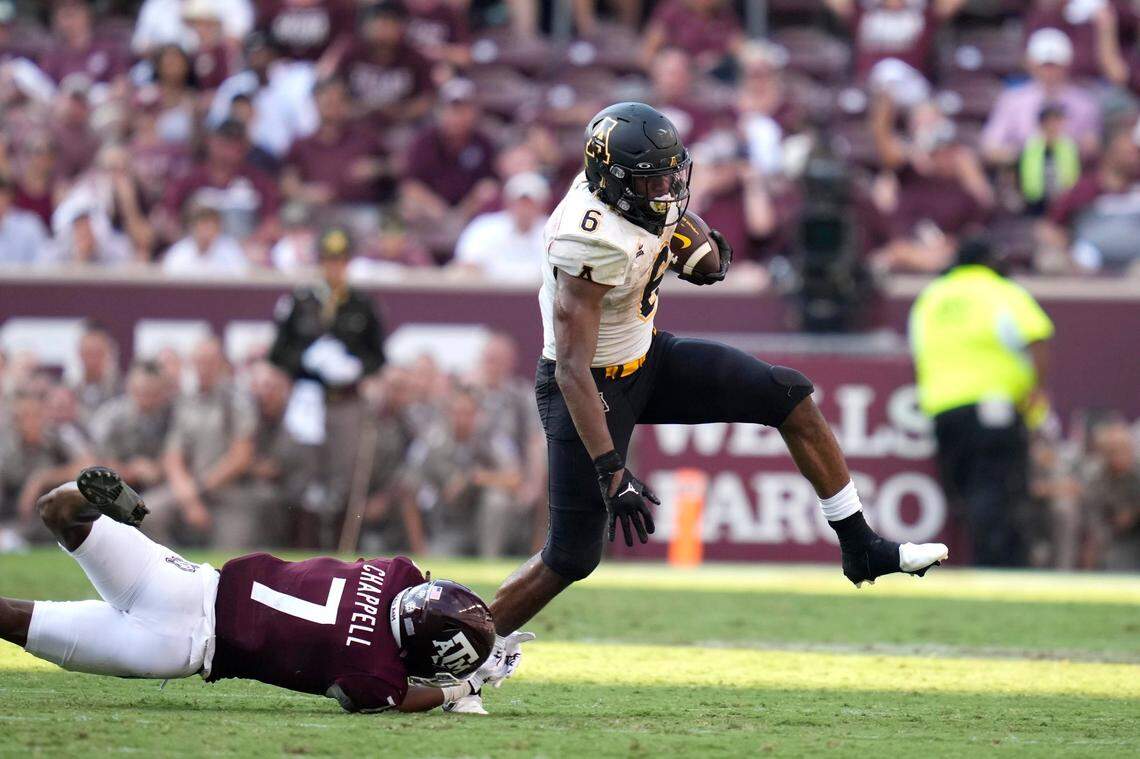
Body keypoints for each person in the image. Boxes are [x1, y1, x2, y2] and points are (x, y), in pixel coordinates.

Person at [480, 102, 948, 712]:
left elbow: (670, 221)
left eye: (673, 176)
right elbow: (571, 367)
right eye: (653, 181)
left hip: (646, 360)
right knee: (571, 555)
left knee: (790, 397)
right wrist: (610, 469)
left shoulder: (633, 192)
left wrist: (687, 242)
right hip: (587, 387)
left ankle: (859, 543)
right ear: (615, 183)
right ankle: (461, 649)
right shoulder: (586, 237)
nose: (669, 190)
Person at [0, 467, 533, 713]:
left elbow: (420, 584)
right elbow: (396, 699)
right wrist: (460, 687)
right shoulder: (376, 674)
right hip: (178, 650)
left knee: (55, 511)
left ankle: (80, 496)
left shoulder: (396, 573)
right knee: (14, 622)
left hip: (187, 581)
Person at [909, 238, 1054, 566]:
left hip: (943, 409)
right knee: (997, 489)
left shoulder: (931, 298)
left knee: (963, 491)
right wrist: (1036, 389)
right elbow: (1038, 335)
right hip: (994, 406)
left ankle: (979, 561)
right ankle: (999, 567)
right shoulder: (999, 291)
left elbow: (918, 350)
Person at [269, 227, 386, 526]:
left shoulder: (361, 303)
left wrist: (355, 366)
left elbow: (377, 355)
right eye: (329, 260)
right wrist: (307, 360)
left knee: (343, 475)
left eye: (341, 260)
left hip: (345, 401)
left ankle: (338, 548)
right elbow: (279, 352)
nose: (335, 267)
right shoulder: (301, 301)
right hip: (307, 399)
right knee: (303, 471)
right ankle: (300, 541)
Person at [981, 28, 1101, 166]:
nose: (1049, 72)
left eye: (1054, 65)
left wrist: (1068, 147)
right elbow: (990, 147)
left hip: (1071, 175)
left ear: (1067, 64)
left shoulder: (1084, 103)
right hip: (1023, 174)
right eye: (1044, 65)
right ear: (1031, 64)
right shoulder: (1012, 100)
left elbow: (1092, 147)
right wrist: (1028, 153)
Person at [453, 172, 550, 281]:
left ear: (542, 205)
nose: (525, 209)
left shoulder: (555, 232)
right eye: (520, 203)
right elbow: (466, 266)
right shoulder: (484, 228)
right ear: (508, 203)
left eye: (530, 204)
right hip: (489, 295)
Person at [1081, 421, 1140, 570]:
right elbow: (1094, 522)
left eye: (1124, 450)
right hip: (1115, 541)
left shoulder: (1137, 475)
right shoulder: (1097, 480)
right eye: (1114, 451)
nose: (1120, 456)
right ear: (1105, 454)